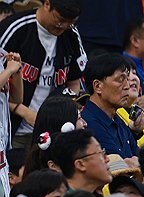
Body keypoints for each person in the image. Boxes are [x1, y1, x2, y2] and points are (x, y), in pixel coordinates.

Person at [0, 0, 86, 143]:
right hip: (12, 131)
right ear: (47, 4)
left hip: (53, 132)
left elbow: (74, 82)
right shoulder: (15, 28)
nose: (63, 27)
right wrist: (26, 113)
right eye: (60, 21)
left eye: (70, 23)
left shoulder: (71, 34)